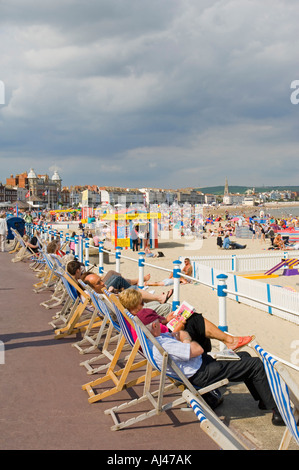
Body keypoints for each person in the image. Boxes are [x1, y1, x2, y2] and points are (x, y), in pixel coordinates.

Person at [146, 319, 284, 426]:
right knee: (256, 364)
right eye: (158, 321)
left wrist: (181, 337)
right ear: (154, 326)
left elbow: (177, 336)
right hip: (202, 373)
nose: (161, 322)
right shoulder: (164, 345)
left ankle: (265, 402)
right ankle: (277, 413)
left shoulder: (154, 340)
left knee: (245, 356)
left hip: (201, 367)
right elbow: (197, 349)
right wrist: (186, 339)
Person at [118, 288, 254, 352]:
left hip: (154, 345)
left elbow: (155, 328)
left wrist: (166, 320)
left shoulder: (133, 316)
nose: (143, 304)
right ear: (135, 305)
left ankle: (226, 342)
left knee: (194, 322)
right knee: (194, 319)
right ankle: (229, 341)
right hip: (162, 347)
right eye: (141, 302)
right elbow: (164, 336)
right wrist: (179, 327)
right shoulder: (144, 314)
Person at [82, 272, 174, 306]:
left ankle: (153, 297)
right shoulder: (101, 297)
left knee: (118, 279)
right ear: (92, 288)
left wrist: (111, 292)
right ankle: (158, 298)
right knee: (133, 289)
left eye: (101, 280)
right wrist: (110, 293)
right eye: (99, 283)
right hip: (122, 312)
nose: (103, 283)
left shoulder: (93, 294)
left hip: (114, 305)